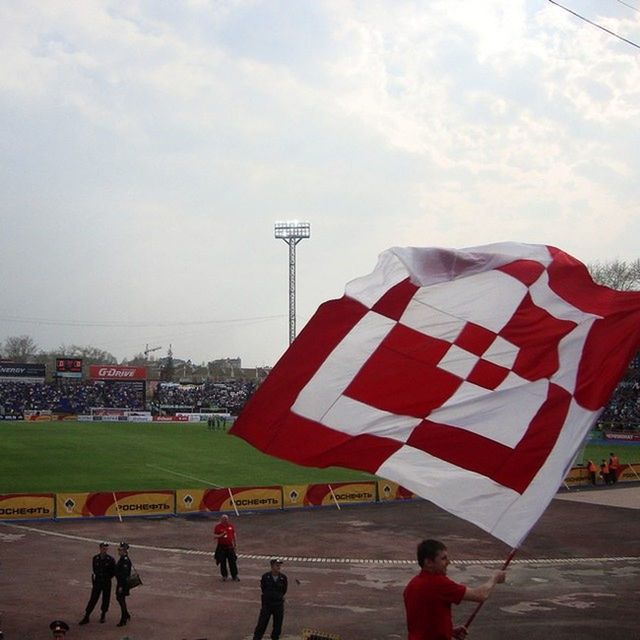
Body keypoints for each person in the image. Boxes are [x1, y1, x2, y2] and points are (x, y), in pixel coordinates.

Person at [404, 539, 506, 640]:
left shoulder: (412, 585)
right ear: (429, 562)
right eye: (443, 558)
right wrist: (495, 578)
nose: (448, 562)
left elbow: (423, 622)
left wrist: (449, 631)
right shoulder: (438, 583)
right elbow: (481, 595)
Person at [79, 541, 116, 625]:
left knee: (106, 599)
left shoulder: (110, 559)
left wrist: (107, 577)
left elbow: (113, 572)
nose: (104, 550)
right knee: (93, 599)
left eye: (106, 548)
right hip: (98, 582)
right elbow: (94, 569)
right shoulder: (95, 558)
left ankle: (103, 614)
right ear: (100, 548)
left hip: (106, 582)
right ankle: (87, 615)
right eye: (103, 548)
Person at [253, 558, 288, 640]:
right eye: (277, 565)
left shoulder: (283, 578)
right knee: (262, 624)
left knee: (277, 626)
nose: (279, 567)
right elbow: (263, 588)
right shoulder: (265, 577)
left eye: (279, 565)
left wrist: (278, 596)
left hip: (278, 605)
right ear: (272, 566)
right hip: (267, 604)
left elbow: (284, 590)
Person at [214, 514, 239, 581]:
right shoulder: (218, 527)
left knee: (233, 562)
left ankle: (235, 576)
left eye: (226, 519)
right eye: (224, 519)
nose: (225, 520)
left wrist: (235, 544)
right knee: (223, 562)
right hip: (222, 547)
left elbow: (234, 534)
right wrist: (221, 535)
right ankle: (224, 576)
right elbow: (215, 536)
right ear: (221, 519)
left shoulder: (231, 526)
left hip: (230, 546)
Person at [114, 541, 132, 627]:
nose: (119, 551)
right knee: (120, 599)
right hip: (121, 583)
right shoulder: (123, 559)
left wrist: (120, 586)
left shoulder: (125, 561)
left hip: (123, 584)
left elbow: (124, 575)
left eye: (120, 550)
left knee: (121, 599)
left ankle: (124, 618)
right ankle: (126, 614)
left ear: (124, 551)